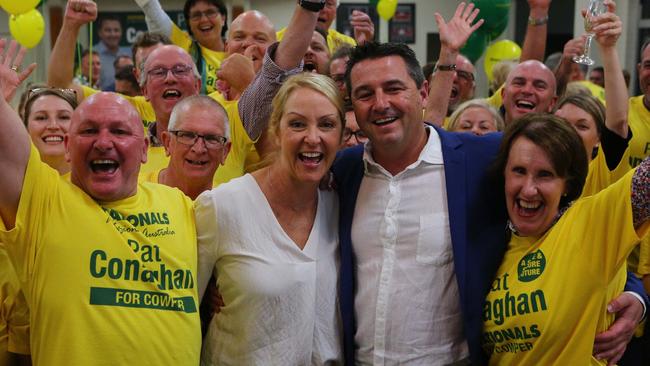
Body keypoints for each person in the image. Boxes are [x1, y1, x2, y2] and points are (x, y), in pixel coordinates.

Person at [332, 3, 646, 365]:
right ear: (351, 102)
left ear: (421, 92)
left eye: (393, 88)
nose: (381, 103)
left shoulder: (481, 159)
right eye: (365, 94)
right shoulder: (344, 171)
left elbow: (571, 222)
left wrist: (634, 296)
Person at [0, 39, 201, 366]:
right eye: (89, 131)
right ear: (67, 147)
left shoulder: (181, 204)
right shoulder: (42, 201)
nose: (104, 142)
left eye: (120, 131)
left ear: (144, 149)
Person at [195, 72, 343, 365]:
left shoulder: (340, 206)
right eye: (297, 124)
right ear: (275, 130)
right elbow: (185, 310)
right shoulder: (223, 207)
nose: (312, 138)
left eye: (326, 124)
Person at [483, 113, 649, 365]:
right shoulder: (486, 247)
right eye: (518, 171)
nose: (528, 189)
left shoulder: (591, 226)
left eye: (545, 175)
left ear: (568, 184)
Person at [141, 95, 231, 200]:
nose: (199, 149)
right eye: (187, 136)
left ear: (225, 151)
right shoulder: (135, 193)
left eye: (211, 138)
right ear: (167, 142)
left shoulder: (229, 206)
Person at [134, 0, 227, 94]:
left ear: (223, 18)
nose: (204, 19)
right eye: (196, 15)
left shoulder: (237, 49)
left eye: (210, 13)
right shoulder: (184, 47)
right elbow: (152, 11)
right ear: (189, 24)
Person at [277, 0, 374, 53]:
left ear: (335, 13)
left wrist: (364, 48)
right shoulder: (278, 41)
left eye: (329, 4)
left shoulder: (346, 44)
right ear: (299, 6)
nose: (321, 9)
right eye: (316, 1)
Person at [22, 87, 78, 175]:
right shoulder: (10, 182)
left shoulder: (96, 181)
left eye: (64, 117)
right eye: (41, 118)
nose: (53, 126)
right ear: (26, 127)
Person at [94, 15, 131, 91]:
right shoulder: (92, 54)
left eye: (116, 30)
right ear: (100, 32)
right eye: (108, 30)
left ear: (121, 32)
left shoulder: (129, 54)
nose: (113, 34)